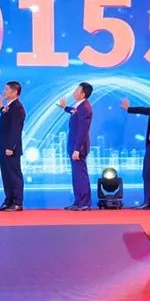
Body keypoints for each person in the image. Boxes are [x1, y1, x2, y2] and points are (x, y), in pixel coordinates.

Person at [58, 82, 93, 211]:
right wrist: (65, 107)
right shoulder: (79, 106)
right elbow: (73, 111)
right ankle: (78, 201)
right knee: (76, 175)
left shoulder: (85, 108)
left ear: (83, 94)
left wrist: (77, 149)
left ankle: (85, 203)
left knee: (80, 175)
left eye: (77, 90)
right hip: (73, 145)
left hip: (79, 147)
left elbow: (83, 130)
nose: (74, 92)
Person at [0, 81, 26, 212]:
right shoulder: (9, 107)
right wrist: (1, 107)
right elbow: (7, 116)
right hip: (3, 147)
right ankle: (9, 201)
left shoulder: (17, 107)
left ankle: (17, 202)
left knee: (14, 175)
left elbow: (16, 129)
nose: (4, 92)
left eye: (6, 89)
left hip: (11, 149)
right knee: (6, 175)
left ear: (14, 92)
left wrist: (11, 147)